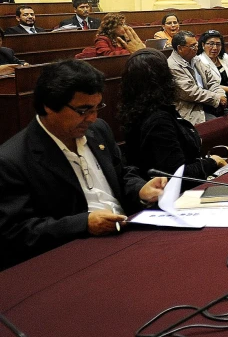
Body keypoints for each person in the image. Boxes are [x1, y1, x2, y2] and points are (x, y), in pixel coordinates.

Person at [0, 59, 167, 269]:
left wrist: (140, 188)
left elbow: (122, 173)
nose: (93, 118)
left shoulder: (99, 130)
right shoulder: (11, 161)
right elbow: (16, 233)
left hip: (129, 234)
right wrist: (84, 224)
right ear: (48, 106)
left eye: (97, 108)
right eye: (83, 110)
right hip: (75, 256)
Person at [121, 49, 228, 186]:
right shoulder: (159, 120)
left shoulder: (138, 110)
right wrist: (212, 162)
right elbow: (177, 176)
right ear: (165, 78)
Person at [168, 30, 228, 125]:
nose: (196, 48)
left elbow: (212, 81)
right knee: (219, 124)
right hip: (190, 107)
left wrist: (221, 95)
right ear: (180, 48)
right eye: (192, 46)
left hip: (208, 101)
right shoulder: (172, 66)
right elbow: (190, 92)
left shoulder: (196, 59)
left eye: (196, 45)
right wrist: (216, 98)